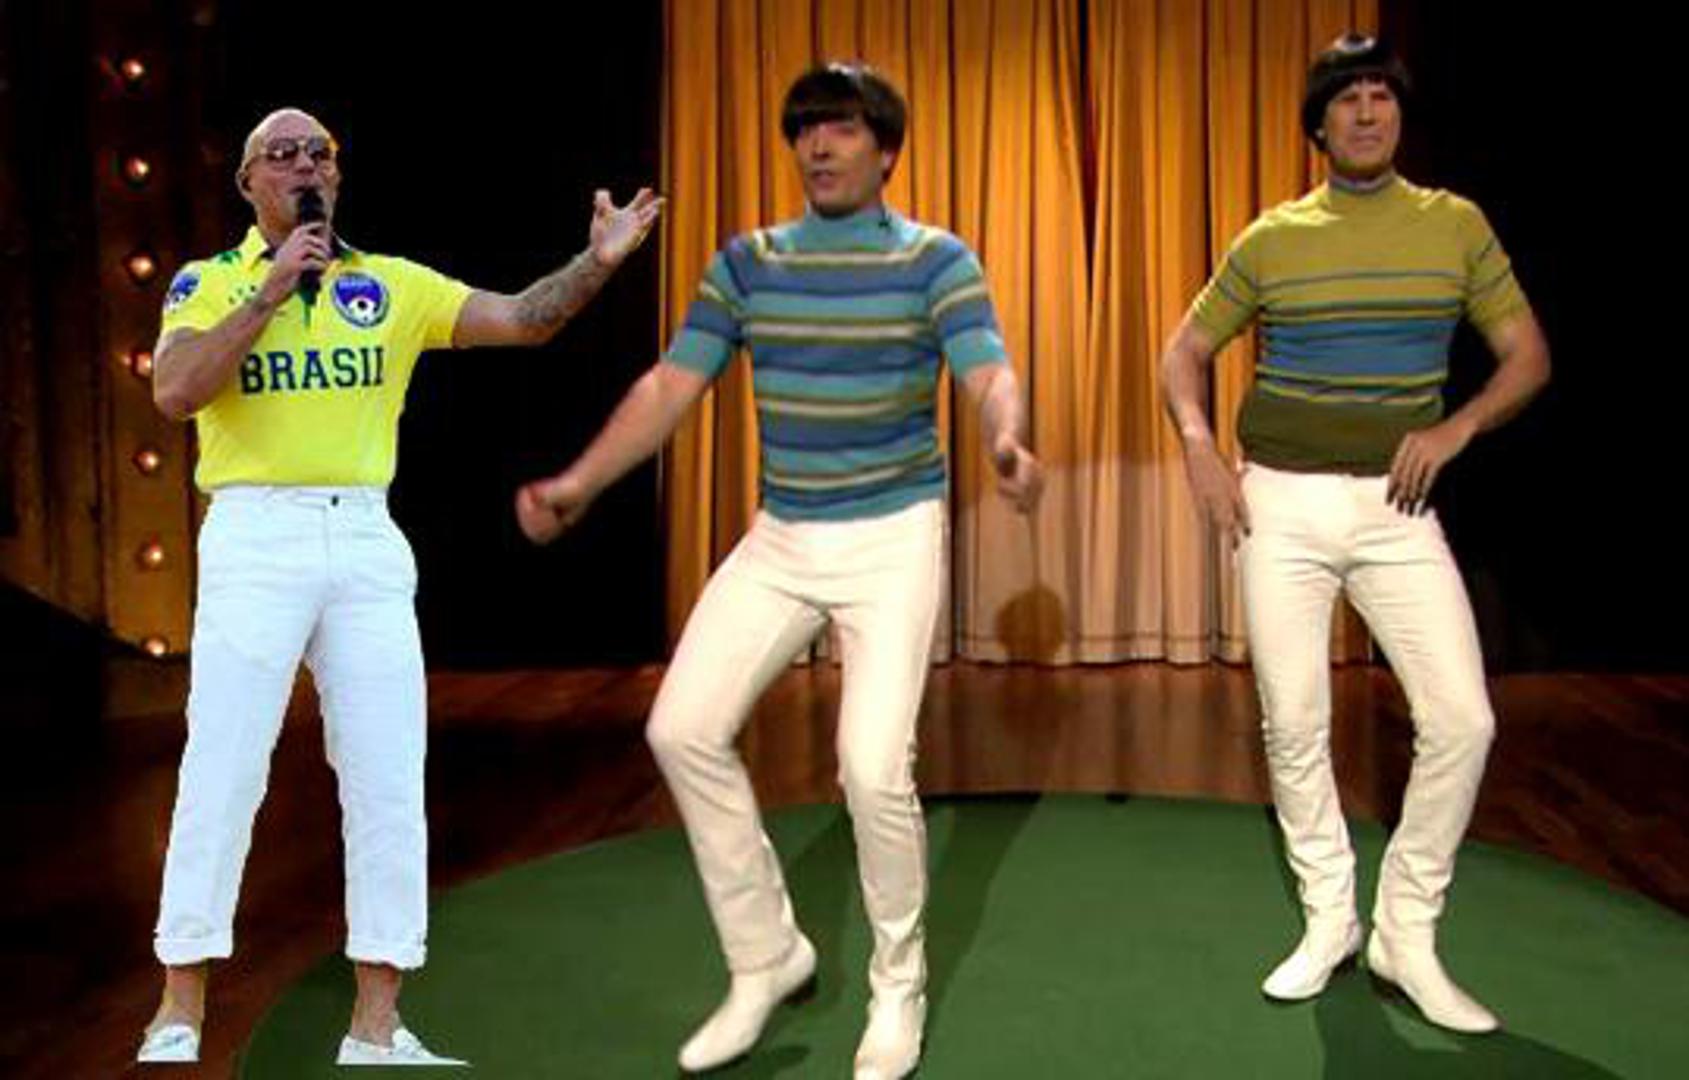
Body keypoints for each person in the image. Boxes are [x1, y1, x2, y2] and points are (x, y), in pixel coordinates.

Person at [516, 63, 1042, 1078]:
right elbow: (672, 386)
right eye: (805, 129)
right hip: (784, 535)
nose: (818, 145)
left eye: (840, 128)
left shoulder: (935, 259)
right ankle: (765, 957)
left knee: (872, 768)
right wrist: (579, 482)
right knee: (681, 728)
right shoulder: (749, 262)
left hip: (892, 536)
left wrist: (1006, 440)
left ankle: (898, 986)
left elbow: (988, 371)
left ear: (885, 150)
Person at [136, 107, 661, 1066]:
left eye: (321, 153)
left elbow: (524, 319)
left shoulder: (390, 284)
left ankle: (376, 1026)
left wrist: (598, 261)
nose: (306, 165)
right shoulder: (206, 283)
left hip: (364, 533)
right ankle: (179, 1009)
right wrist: (269, 293)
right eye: (283, 154)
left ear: (337, 177)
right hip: (255, 531)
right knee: (224, 767)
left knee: (385, 776)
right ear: (247, 182)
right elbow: (175, 392)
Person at [1160, 34, 1550, 1033]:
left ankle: (1404, 934)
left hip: (1396, 508)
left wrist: (1457, 427)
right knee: (1293, 722)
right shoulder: (1273, 236)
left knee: (1462, 719)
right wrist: (1199, 447)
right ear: (1319, 126)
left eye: (1381, 94)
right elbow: (1183, 353)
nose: (1368, 112)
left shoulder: (1453, 225)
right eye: (1348, 99)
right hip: (1279, 504)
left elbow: (1526, 356)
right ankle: (1329, 917)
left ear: (1399, 114)